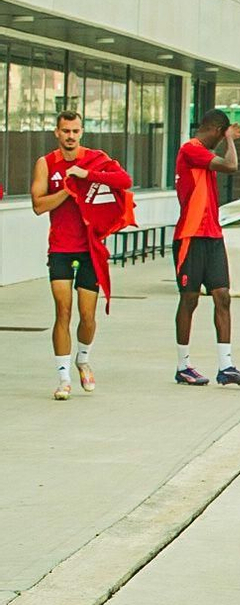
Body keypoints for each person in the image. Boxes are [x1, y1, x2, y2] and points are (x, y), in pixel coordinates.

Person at [29, 111, 133, 400]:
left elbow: (124, 180)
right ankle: (63, 378)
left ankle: (83, 358)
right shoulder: (46, 163)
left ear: (82, 132)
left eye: (75, 131)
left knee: (87, 316)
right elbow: (37, 205)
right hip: (61, 247)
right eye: (65, 131)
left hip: (90, 249)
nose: (70, 136)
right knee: (62, 312)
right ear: (56, 133)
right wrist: (67, 190)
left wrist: (87, 175)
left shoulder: (96, 158)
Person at [174, 113, 240, 387]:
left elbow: (219, 160)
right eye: (222, 134)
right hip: (191, 236)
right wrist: (230, 139)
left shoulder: (202, 154)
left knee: (222, 296)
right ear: (218, 130)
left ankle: (226, 365)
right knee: (190, 299)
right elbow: (231, 165)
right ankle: (183, 365)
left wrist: (224, 137)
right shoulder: (190, 149)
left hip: (212, 235)